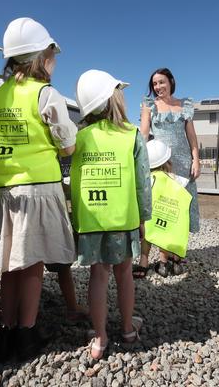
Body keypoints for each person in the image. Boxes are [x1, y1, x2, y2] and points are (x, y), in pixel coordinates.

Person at [0, 17, 77, 362]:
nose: (54, 61)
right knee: (34, 265)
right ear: (42, 57)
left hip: (2, 190)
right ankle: (27, 333)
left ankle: (5, 330)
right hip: (37, 190)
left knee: (10, 265)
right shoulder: (46, 94)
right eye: (52, 54)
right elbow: (67, 145)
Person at [71, 69, 151, 360]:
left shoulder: (80, 137)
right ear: (113, 99)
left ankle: (100, 337)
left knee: (98, 276)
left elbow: (73, 178)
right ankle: (128, 329)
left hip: (92, 220)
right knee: (124, 274)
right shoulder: (132, 135)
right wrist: (144, 218)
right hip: (123, 219)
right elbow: (143, 182)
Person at [137, 68, 200, 277]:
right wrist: (141, 162)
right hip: (161, 162)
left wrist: (196, 159)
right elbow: (144, 134)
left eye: (161, 82)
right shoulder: (149, 105)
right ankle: (163, 259)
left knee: (182, 207)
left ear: (171, 82)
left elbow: (191, 136)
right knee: (165, 207)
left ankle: (178, 256)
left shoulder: (185, 105)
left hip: (183, 162)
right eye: (155, 84)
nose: (158, 87)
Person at [142, 139, 192, 278]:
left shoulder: (148, 179)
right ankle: (175, 262)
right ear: (168, 161)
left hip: (153, 220)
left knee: (154, 233)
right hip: (174, 219)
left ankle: (153, 263)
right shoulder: (177, 179)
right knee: (172, 233)